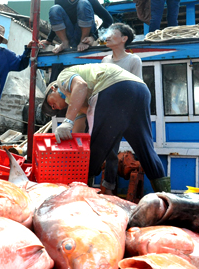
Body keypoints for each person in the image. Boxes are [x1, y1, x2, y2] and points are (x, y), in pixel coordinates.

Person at [42, 63, 170, 193]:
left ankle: (79, 197)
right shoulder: (79, 104)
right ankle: (167, 199)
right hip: (140, 89)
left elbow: (80, 85)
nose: (55, 108)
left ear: (53, 88)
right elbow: (80, 134)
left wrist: (67, 121)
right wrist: (72, 149)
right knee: (146, 151)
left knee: (94, 152)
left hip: (114, 87)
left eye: (51, 104)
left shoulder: (62, 77)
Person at [100, 23, 143, 195]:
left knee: (143, 150)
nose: (108, 36)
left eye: (113, 33)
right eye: (107, 33)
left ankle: (159, 190)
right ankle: (108, 190)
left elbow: (137, 87)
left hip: (130, 112)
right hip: (109, 112)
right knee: (109, 152)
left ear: (124, 39)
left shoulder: (133, 60)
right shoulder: (105, 60)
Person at [41, 0, 113, 54]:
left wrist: (93, 37)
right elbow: (56, 21)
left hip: (85, 37)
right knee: (54, 9)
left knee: (83, 3)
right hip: (70, 36)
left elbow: (108, 20)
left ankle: (83, 40)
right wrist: (49, 40)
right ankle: (65, 43)